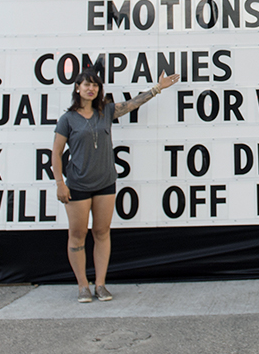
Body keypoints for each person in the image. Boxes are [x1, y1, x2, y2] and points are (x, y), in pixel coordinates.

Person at [52, 67, 179, 303]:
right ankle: (82, 285)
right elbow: (56, 153)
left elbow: (132, 104)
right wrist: (60, 183)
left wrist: (158, 88)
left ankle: (100, 285)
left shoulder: (106, 111)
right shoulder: (67, 119)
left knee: (102, 232)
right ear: (77, 89)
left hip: (105, 183)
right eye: (86, 84)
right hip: (77, 184)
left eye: (95, 85)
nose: (91, 89)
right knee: (78, 235)